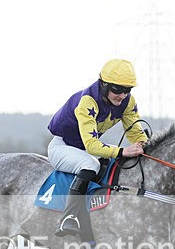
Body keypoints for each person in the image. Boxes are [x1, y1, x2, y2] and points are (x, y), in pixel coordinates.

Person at [47, 59, 149, 237]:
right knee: (91, 166)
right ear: (104, 85)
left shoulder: (127, 102)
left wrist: (143, 144)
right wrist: (123, 151)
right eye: (117, 89)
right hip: (62, 147)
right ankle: (68, 217)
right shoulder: (87, 101)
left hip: (84, 151)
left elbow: (135, 132)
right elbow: (92, 145)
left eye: (127, 90)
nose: (122, 95)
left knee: (111, 167)